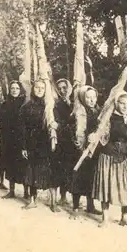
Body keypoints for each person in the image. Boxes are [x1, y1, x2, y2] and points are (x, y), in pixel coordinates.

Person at [92, 91, 127, 228]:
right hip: (107, 156)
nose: (125, 107)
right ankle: (105, 218)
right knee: (106, 185)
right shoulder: (107, 118)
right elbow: (101, 136)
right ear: (116, 103)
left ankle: (124, 216)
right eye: (122, 103)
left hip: (123, 156)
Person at [20, 80, 60, 212]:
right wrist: (24, 147)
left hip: (48, 143)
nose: (39, 90)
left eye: (42, 88)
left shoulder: (51, 106)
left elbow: (58, 123)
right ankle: (32, 200)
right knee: (32, 171)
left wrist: (56, 126)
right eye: (37, 87)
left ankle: (53, 202)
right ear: (33, 89)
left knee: (51, 171)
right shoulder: (26, 107)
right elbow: (23, 129)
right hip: (33, 143)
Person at [69, 86, 102, 219]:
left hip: (94, 150)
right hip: (79, 150)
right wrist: (76, 143)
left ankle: (90, 206)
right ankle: (76, 208)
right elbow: (71, 130)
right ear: (83, 98)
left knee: (91, 178)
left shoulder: (99, 112)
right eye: (88, 97)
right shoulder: (77, 112)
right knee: (78, 179)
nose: (91, 100)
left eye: (93, 97)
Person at [0, 80, 27, 199]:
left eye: (17, 88)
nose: (14, 90)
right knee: (10, 165)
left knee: (23, 165)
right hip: (8, 140)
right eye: (12, 88)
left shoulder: (24, 104)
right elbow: (1, 122)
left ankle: (27, 192)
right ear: (9, 90)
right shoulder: (5, 105)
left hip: (21, 139)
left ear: (20, 90)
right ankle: (11, 191)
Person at [54, 78, 75, 206]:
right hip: (62, 138)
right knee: (60, 168)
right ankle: (61, 197)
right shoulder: (56, 104)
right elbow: (57, 119)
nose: (62, 91)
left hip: (73, 140)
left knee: (71, 168)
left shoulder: (75, 102)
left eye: (64, 88)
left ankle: (69, 196)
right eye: (60, 88)